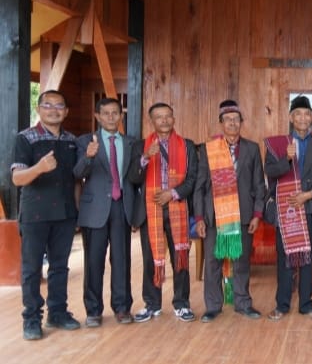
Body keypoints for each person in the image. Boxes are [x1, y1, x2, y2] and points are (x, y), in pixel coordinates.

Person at [11, 90, 81, 340]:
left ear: (66, 111)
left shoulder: (71, 140)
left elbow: (76, 180)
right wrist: (39, 168)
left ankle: (58, 313)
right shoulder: (26, 138)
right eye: (48, 105)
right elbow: (17, 178)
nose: (54, 110)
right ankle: (31, 318)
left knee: (60, 267)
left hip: (65, 213)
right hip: (35, 214)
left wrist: (76, 211)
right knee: (32, 269)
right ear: (39, 109)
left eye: (59, 106)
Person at [194, 100, 266, 323]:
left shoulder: (252, 149)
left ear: (241, 123)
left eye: (236, 119)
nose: (232, 123)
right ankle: (213, 306)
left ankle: (243, 303)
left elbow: (259, 185)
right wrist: (199, 218)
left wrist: (257, 214)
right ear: (221, 123)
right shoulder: (209, 149)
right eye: (228, 120)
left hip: (243, 215)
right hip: (214, 216)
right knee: (212, 263)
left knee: (241, 262)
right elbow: (199, 186)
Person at [128, 102, 198, 323]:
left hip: (178, 207)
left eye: (168, 116)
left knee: (181, 258)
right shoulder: (140, 146)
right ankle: (152, 304)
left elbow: (193, 178)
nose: (164, 120)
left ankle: (182, 304)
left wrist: (173, 193)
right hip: (151, 211)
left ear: (173, 119)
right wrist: (145, 158)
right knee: (150, 259)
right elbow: (133, 178)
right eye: (159, 117)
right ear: (152, 121)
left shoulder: (187, 145)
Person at [264, 96, 312, 321]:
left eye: (306, 114)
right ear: (291, 118)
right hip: (286, 208)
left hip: (309, 206)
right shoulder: (278, 144)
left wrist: (308, 195)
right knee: (285, 259)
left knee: (307, 258)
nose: (302, 118)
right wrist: (287, 159)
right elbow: (270, 171)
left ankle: (306, 305)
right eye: (297, 114)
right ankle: (282, 305)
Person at [73, 97, 136, 327]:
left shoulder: (130, 142)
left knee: (121, 260)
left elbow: (134, 177)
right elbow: (77, 173)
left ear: (121, 116)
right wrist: (88, 157)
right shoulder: (85, 141)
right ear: (97, 116)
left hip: (121, 206)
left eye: (115, 113)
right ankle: (93, 310)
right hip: (95, 209)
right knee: (93, 262)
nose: (111, 117)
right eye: (106, 113)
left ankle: (122, 307)